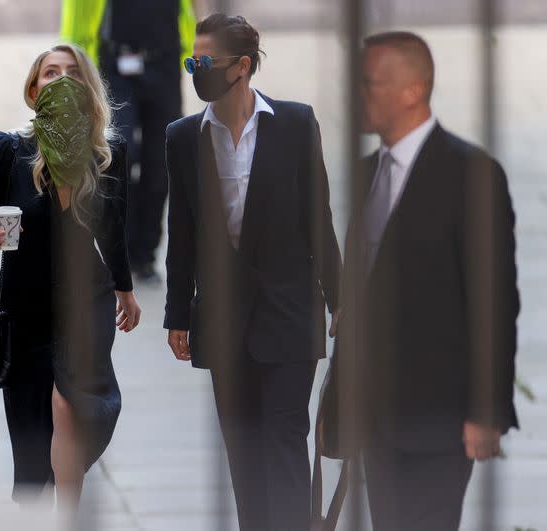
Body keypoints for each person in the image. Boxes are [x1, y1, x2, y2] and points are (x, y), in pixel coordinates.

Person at [334, 31, 520, 531]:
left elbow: (496, 301)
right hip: (375, 415)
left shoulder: (471, 174)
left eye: (368, 84)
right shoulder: (367, 171)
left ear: (413, 91)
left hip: (438, 420)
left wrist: (488, 410)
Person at [163, 14, 342, 530]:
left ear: (241, 67)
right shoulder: (182, 138)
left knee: (284, 439)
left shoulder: (294, 124)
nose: (197, 70)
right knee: (243, 452)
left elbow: (319, 217)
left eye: (206, 62)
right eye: (191, 61)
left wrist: (341, 300)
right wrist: (178, 313)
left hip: (289, 311)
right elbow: (184, 230)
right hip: (222, 319)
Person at [0, 43, 141, 517]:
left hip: (87, 303)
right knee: (33, 427)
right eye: (49, 73)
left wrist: (125, 288)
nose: (59, 80)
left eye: (71, 73)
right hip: (25, 306)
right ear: (33, 90)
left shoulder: (107, 152)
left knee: (69, 406)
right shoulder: (5, 150)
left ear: (87, 86)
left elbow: (113, 229)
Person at [61, 0, 198, 281]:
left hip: (165, 62)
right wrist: (70, 66)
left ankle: (144, 254)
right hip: (113, 64)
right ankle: (119, 248)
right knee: (120, 155)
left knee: (161, 163)